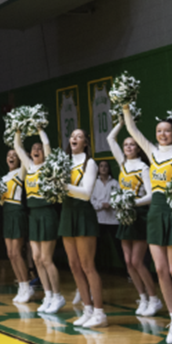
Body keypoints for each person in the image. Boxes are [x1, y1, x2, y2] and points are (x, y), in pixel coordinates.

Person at [123, 105, 172, 344]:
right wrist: (126, 107)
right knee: (160, 270)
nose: (162, 134)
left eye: (167, 131)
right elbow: (132, 130)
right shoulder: (153, 152)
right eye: (159, 130)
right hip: (156, 213)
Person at [107, 118, 161, 317]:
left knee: (138, 262)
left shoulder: (144, 168)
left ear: (138, 149)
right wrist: (121, 122)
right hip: (125, 215)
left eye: (132, 144)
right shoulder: (122, 164)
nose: (128, 147)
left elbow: (151, 195)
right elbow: (110, 138)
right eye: (126, 144)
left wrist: (131, 202)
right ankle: (143, 297)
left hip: (140, 216)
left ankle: (154, 298)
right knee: (128, 263)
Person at [58, 129, 107, 328]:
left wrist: (62, 185)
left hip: (83, 214)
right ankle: (87, 310)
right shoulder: (63, 163)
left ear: (86, 142)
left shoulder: (90, 163)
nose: (74, 139)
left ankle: (100, 312)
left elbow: (86, 193)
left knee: (88, 266)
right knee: (74, 265)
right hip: (67, 214)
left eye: (79, 136)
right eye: (72, 136)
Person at [13, 129, 64, 313]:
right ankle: (48, 295)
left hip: (47, 213)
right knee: (36, 258)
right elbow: (17, 147)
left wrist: (41, 129)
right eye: (34, 148)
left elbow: (48, 145)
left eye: (39, 148)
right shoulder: (28, 166)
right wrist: (18, 130)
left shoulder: (48, 166)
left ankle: (58, 296)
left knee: (46, 258)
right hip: (33, 215)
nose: (36, 150)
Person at [1, 148, 32, 303]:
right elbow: (1, 201)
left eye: (14, 155)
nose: (11, 157)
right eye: (9, 156)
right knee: (10, 253)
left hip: (17, 212)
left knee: (17, 252)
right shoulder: (4, 177)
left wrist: (21, 148)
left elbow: (27, 158)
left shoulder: (21, 172)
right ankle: (21, 285)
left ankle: (27, 286)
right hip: (6, 212)